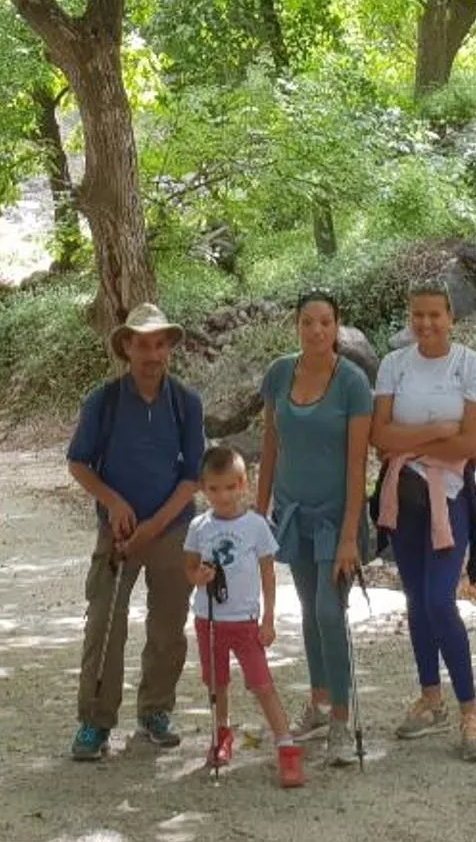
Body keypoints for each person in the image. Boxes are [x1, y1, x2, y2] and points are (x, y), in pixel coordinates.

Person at [66, 301, 206, 761]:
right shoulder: (102, 401)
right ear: (126, 347)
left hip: (170, 528)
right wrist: (113, 502)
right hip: (117, 531)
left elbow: (192, 478)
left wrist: (154, 527)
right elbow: (79, 462)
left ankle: (155, 713)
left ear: (169, 348)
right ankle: (95, 722)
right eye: (142, 344)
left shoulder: (186, 403)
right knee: (105, 622)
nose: (151, 354)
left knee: (168, 627)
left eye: (159, 344)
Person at [370, 281, 476, 762]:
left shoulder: (471, 365)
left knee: (440, 600)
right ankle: (430, 697)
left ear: (451, 318)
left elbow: (472, 446)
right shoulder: (393, 365)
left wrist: (412, 443)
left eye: (435, 316)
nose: (426, 324)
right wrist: (440, 430)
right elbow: (381, 437)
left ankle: (469, 711)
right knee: (416, 601)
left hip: (450, 495)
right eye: (418, 315)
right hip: (403, 497)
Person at [256, 290, 372, 768]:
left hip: (336, 516)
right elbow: (270, 441)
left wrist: (349, 535)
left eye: (326, 322)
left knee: (330, 611)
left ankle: (342, 720)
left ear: (337, 327)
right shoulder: (280, 373)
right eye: (308, 322)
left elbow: (357, 462)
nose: (317, 331)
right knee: (307, 609)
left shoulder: (353, 383)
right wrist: (255, 515)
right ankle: (320, 702)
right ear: (297, 325)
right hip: (292, 512)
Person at [182, 446, 306, 786]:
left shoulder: (256, 526)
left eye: (230, 487)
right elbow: (189, 567)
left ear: (243, 485)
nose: (223, 496)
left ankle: (286, 747)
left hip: (245, 621)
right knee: (216, 683)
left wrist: (269, 619)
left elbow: (268, 574)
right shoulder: (198, 526)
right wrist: (199, 578)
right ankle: (220, 734)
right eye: (214, 489)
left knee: (262, 684)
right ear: (203, 489)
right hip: (209, 620)